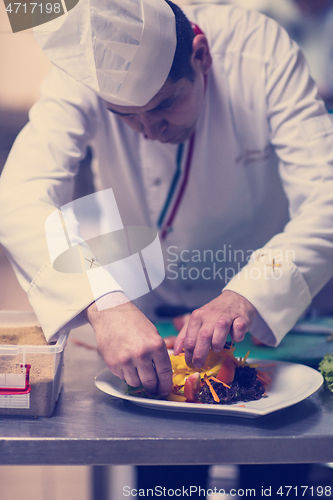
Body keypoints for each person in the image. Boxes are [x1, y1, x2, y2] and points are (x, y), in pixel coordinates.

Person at [1, 0, 333, 401]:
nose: (149, 130)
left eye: (163, 105)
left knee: (271, 450)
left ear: (201, 56)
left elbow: (324, 201)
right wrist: (104, 305)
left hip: (261, 312)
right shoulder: (82, 75)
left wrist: (247, 294)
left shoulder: (260, 50)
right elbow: (19, 194)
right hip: (143, 316)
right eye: (125, 115)